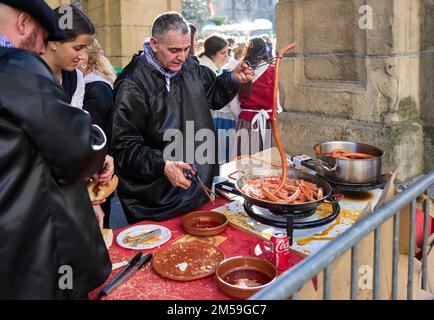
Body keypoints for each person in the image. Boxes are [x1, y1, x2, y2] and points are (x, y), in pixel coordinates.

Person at [0, 0, 111, 299]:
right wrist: (96, 139)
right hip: (35, 244)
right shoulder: (14, 64)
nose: (43, 45)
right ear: (24, 23)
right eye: (41, 34)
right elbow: (78, 149)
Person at [111, 12, 253, 223]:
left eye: (186, 49)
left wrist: (231, 79)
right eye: (174, 50)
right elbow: (123, 146)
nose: (182, 56)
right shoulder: (132, 84)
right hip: (156, 201)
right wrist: (163, 165)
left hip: (199, 184)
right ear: (154, 44)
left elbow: (212, 95)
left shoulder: (189, 66)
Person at [79, 38, 117, 228]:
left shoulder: (96, 88)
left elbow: (96, 133)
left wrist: (96, 162)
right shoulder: (94, 84)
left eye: (78, 48)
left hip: (96, 171)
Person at [234, 37, 276, 156]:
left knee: (245, 161)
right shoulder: (273, 70)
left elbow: (234, 104)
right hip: (268, 122)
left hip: (246, 123)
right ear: (265, 50)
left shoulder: (240, 70)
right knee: (268, 161)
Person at [198, 35, 237, 163]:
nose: (226, 56)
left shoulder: (208, 66)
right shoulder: (205, 69)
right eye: (222, 53)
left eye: (227, 52)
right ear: (213, 54)